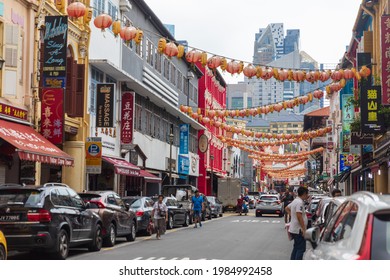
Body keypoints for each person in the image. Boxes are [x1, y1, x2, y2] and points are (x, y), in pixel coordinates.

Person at [285, 186, 309, 260]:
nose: (308, 196)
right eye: (307, 194)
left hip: (294, 228)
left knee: (296, 247)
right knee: (301, 249)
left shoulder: (296, 200)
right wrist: (303, 228)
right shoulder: (299, 202)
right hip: (298, 229)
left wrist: (293, 216)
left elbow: (287, 208)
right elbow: (299, 215)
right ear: (304, 193)